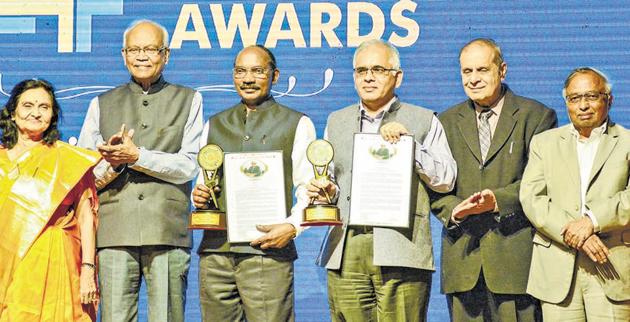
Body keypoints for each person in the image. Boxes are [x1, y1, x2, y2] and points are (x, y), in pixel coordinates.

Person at [312, 39, 457, 322]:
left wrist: (410, 147)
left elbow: (447, 179)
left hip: (401, 246)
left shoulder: (424, 119)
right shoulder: (336, 120)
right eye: (360, 70)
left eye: (378, 69)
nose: (368, 77)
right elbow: (331, 182)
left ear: (397, 76)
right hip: (347, 246)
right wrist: (325, 191)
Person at [77, 20, 203, 322]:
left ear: (166, 55)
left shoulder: (189, 99)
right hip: (113, 231)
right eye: (134, 49)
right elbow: (84, 176)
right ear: (123, 55)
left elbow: (189, 165)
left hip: (167, 230)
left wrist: (138, 156)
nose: (142, 56)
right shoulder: (101, 103)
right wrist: (114, 163)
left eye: (150, 49)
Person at [431, 38, 558, 322]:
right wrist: (454, 210)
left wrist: (497, 201)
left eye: (482, 70)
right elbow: (434, 185)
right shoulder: (445, 121)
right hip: (463, 261)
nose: (473, 79)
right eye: (466, 72)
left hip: (514, 260)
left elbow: (542, 181)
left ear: (502, 71)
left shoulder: (536, 116)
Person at [191, 45, 315, 322]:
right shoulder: (214, 124)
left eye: (258, 71)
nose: (247, 79)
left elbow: (310, 188)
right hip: (215, 253)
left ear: (275, 75)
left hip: (268, 253)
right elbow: (204, 183)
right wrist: (199, 198)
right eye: (240, 71)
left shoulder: (297, 123)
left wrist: (293, 227)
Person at [520, 67, 630, 321]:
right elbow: (532, 198)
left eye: (591, 96)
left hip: (612, 266)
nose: (583, 105)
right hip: (558, 270)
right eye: (574, 98)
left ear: (608, 99)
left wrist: (592, 221)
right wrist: (576, 232)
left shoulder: (626, 142)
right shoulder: (544, 143)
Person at [0, 79, 101, 321]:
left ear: (52, 116)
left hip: (55, 263)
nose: (35, 113)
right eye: (28, 105)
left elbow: (86, 217)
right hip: (7, 266)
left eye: (44, 107)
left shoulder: (68, 159)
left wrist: (88, 270)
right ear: (13, 113)